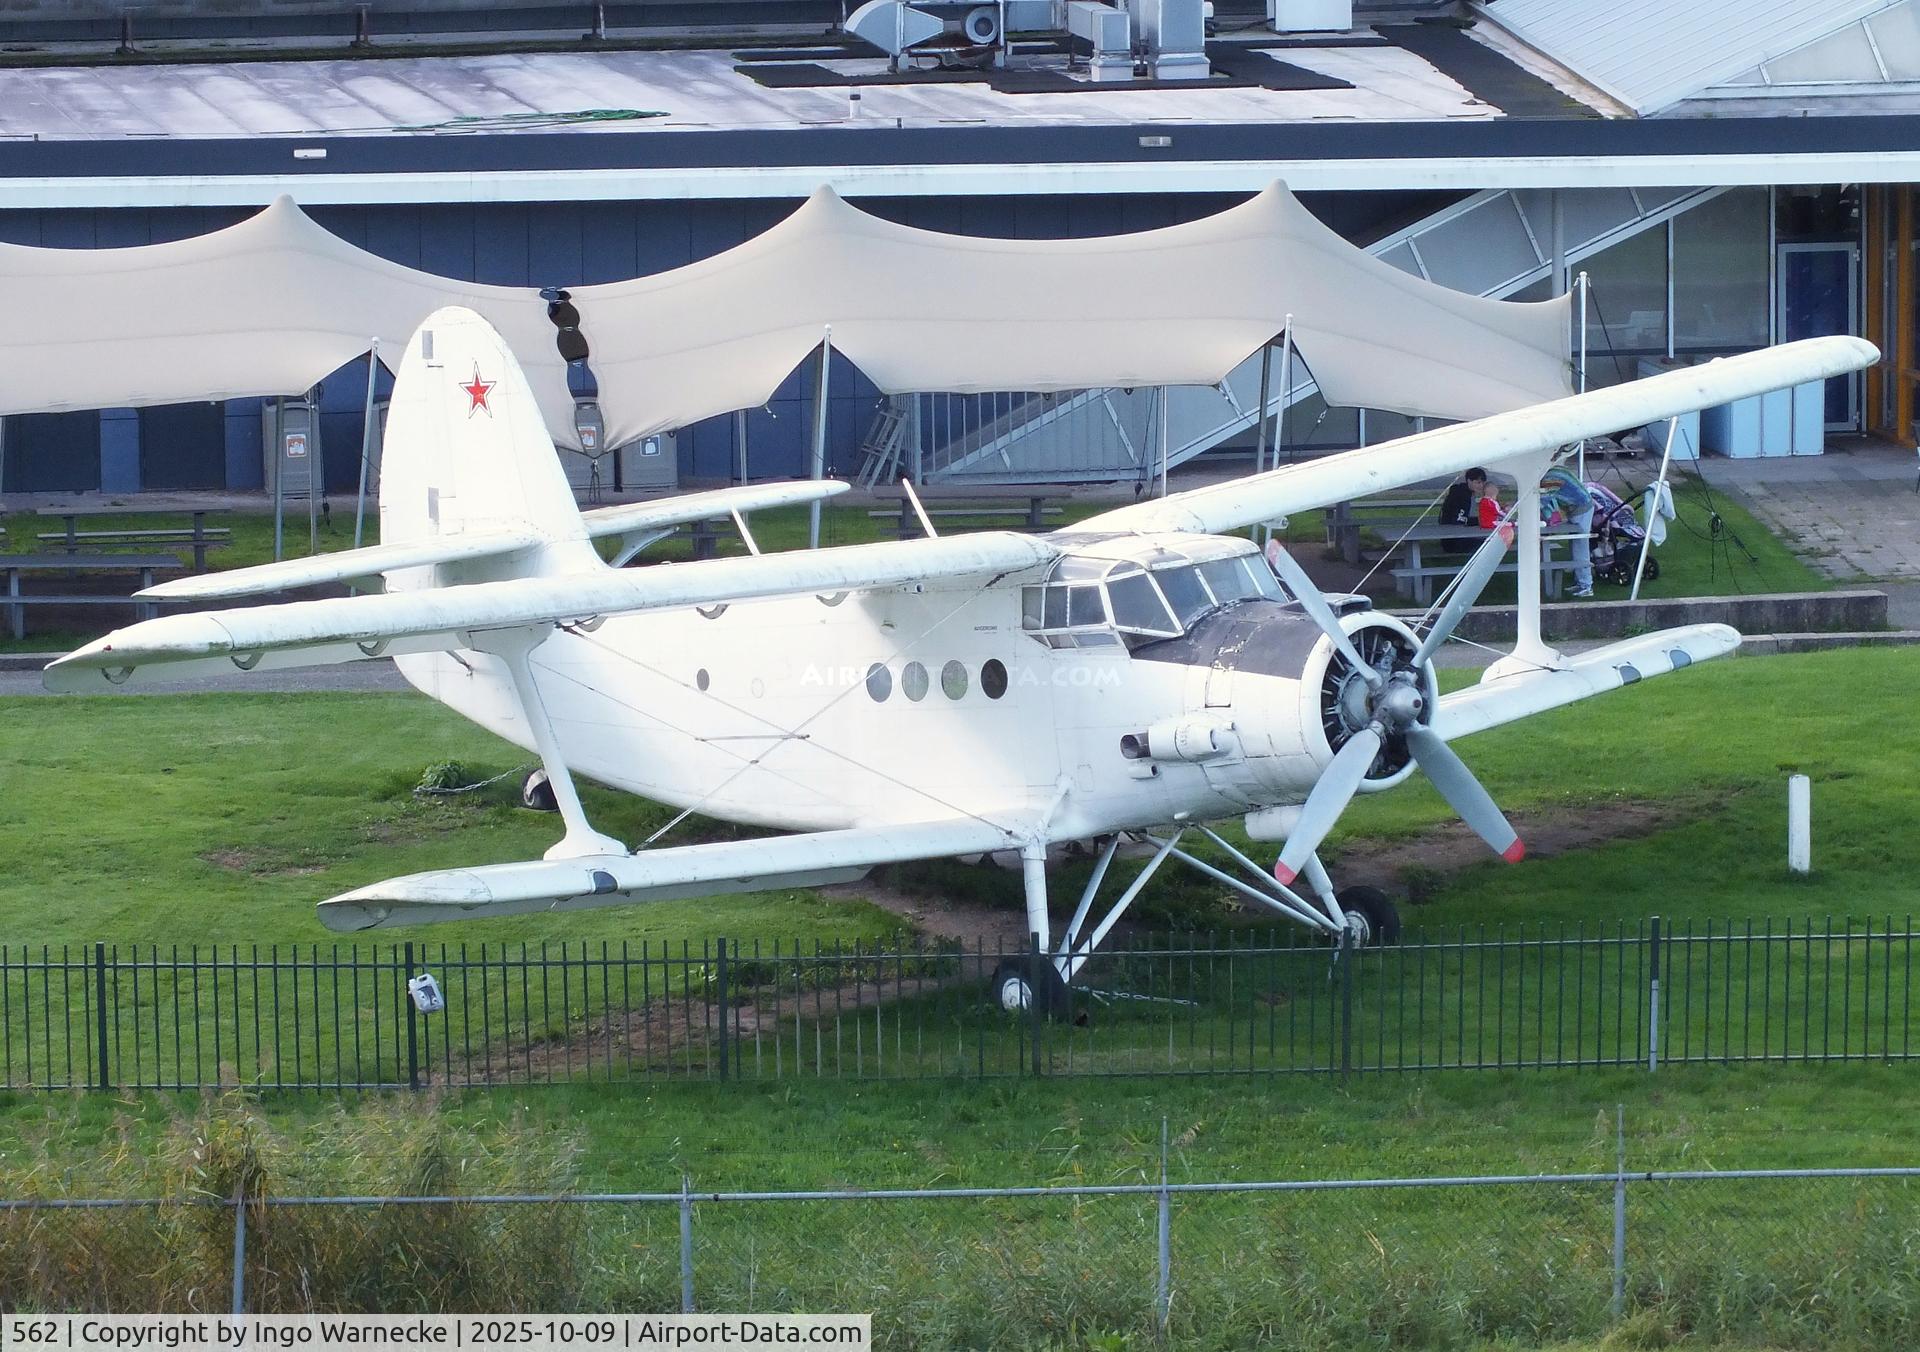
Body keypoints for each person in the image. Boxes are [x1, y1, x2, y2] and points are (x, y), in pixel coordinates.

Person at [1539, 464, 1595, 598]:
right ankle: (1580, 582)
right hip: (1579, 507)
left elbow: (1541, 501)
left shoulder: (1550, 479)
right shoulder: (1554, 470)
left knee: (1580, 546)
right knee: (1575, 545)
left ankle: (1586, 585)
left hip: (1581, 509)